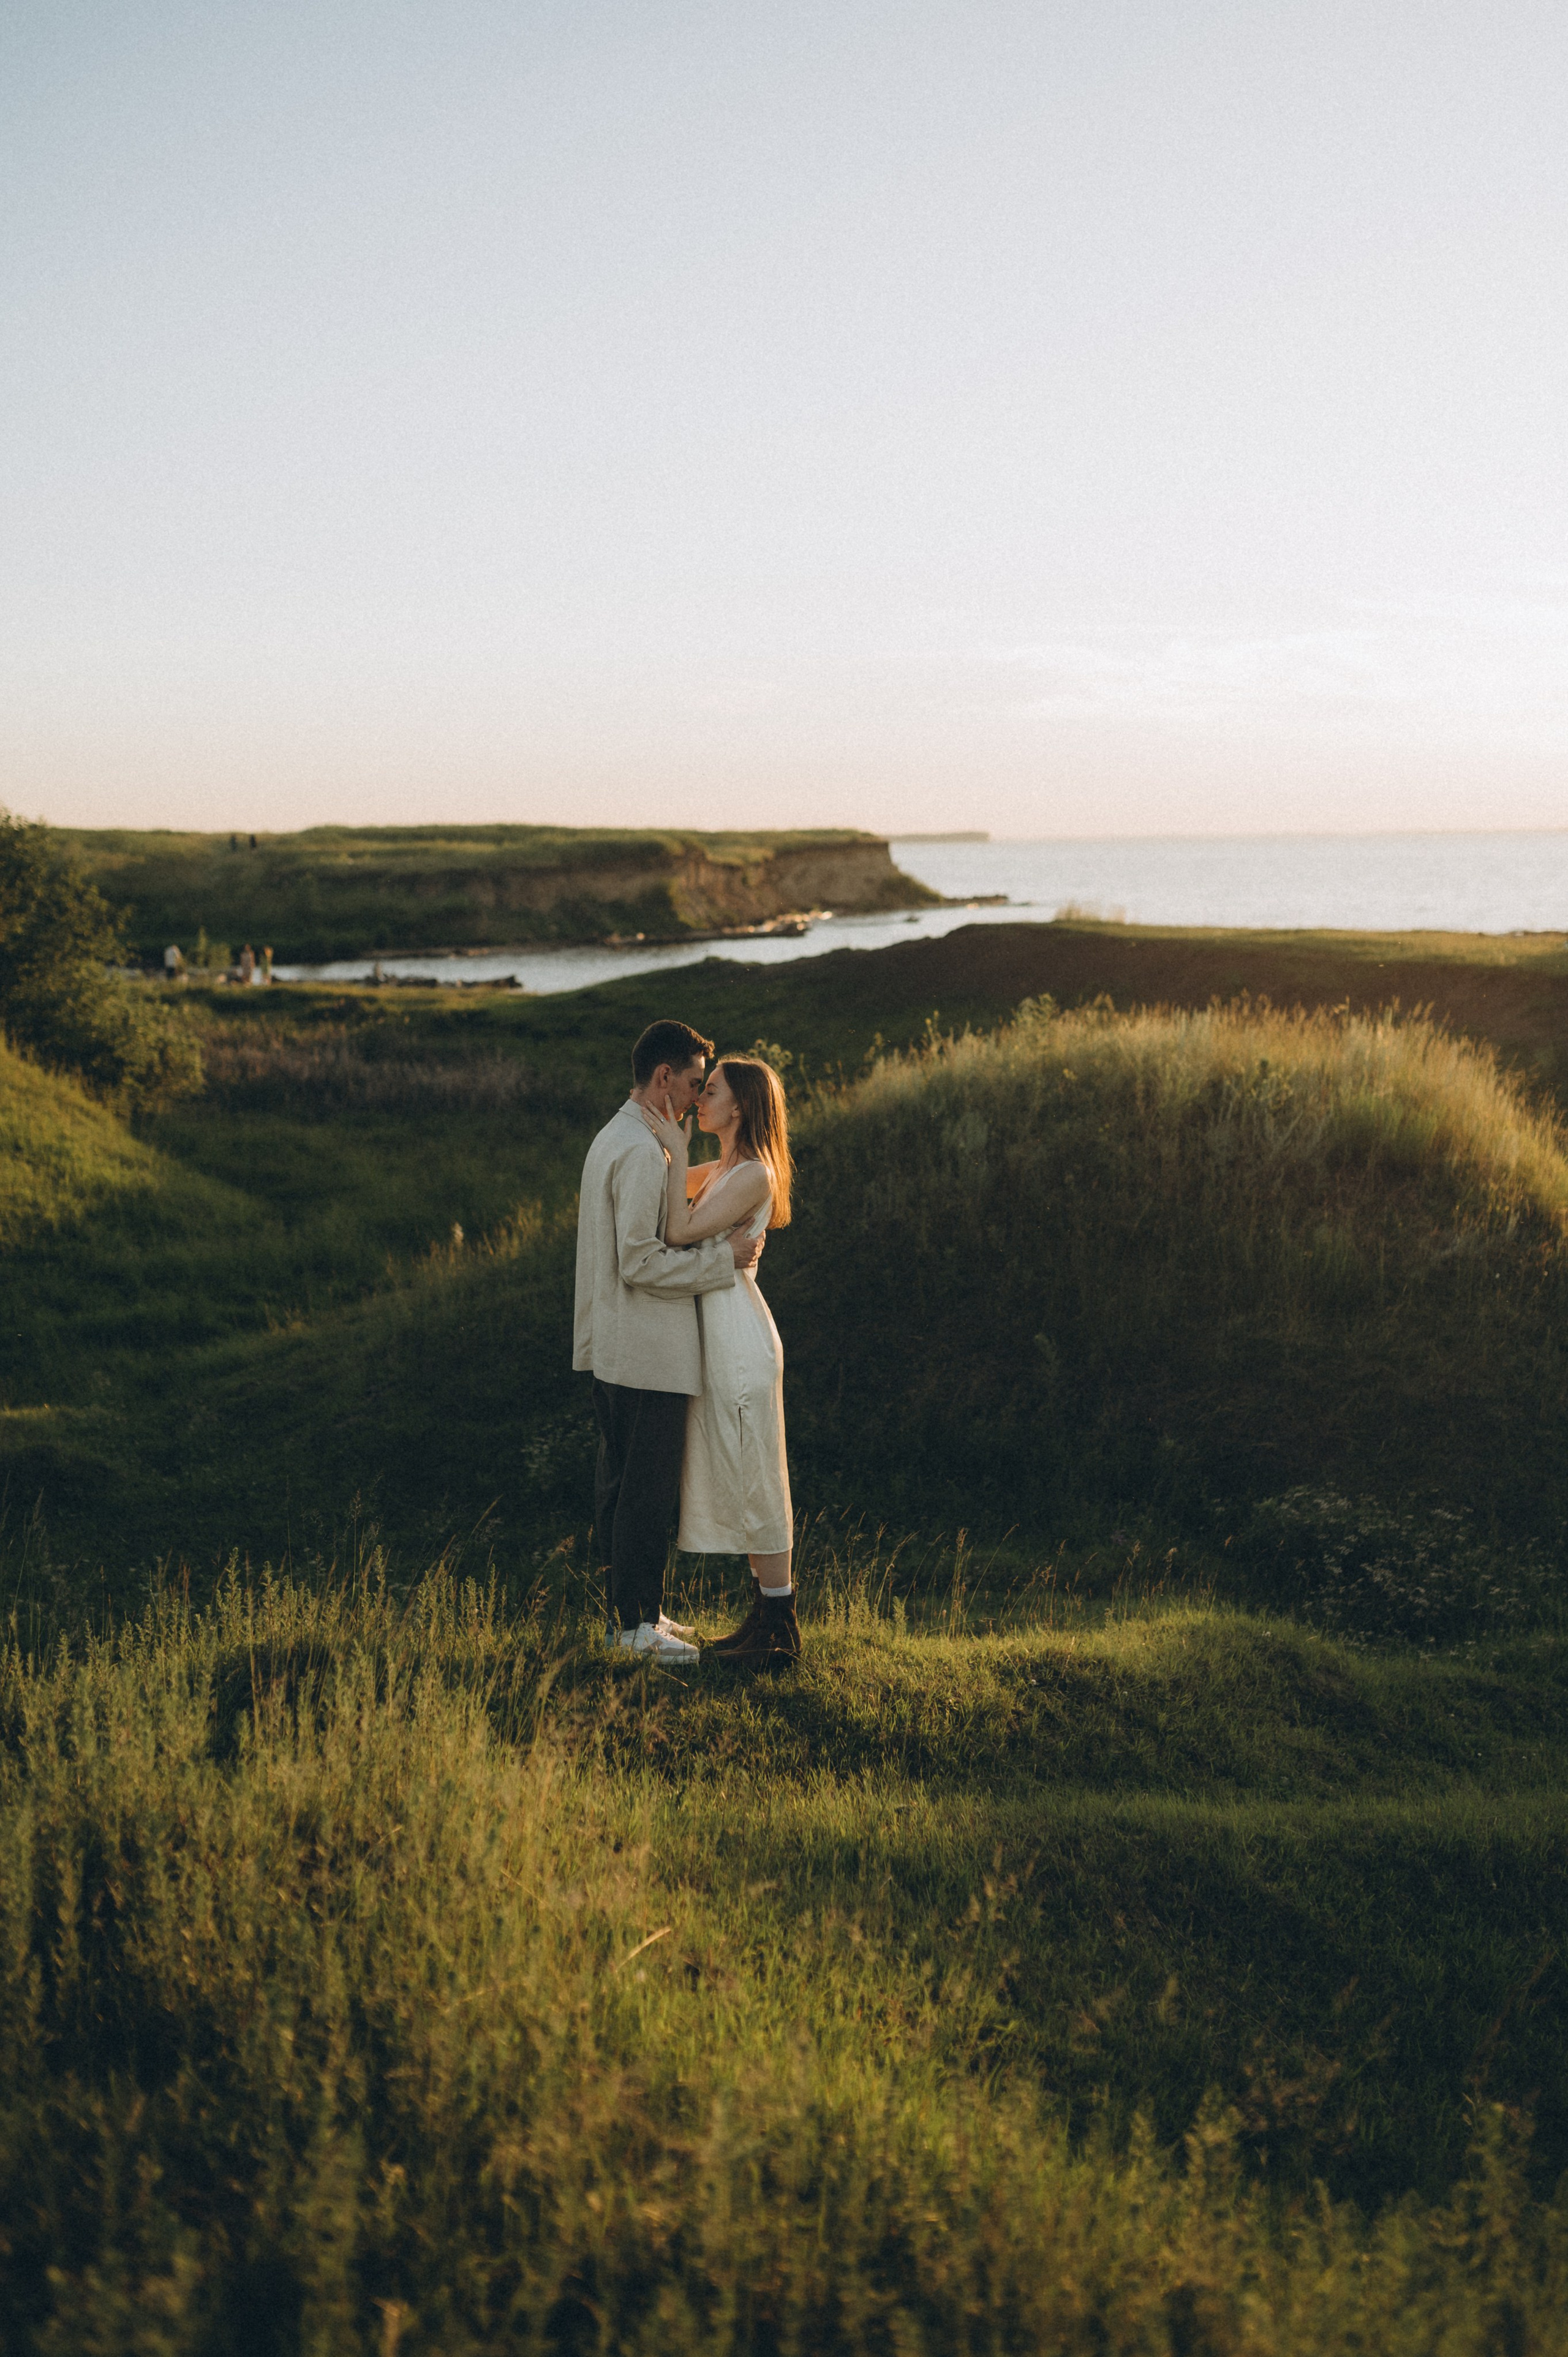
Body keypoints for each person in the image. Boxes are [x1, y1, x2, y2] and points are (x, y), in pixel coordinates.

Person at [574, 1020, 764, 1661]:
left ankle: (635, 1616)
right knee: (644, 1490)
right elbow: (639, 1261)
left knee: (624, 1485)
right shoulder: (638, 1151)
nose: (693, 1097)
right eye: (690, 1083)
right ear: (663, 1078)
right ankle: (633, 1628)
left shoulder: (623, 1136)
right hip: (645, 1349)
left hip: (622, 1345)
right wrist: (725, 1258)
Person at [640, 1057, 801, 1669]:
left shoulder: (753, 1174)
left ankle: (779, 1627)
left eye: (709, 1091)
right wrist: (659, 1136)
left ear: (740, 1106)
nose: (698, 1097)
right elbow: (664, 1191)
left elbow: (678, 1230)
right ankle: (764, 1617)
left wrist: (675, 1145)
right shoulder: (728, 1167)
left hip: (740, 1340)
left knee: (758, 1476)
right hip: (721, 1336)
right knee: (742, 1473)